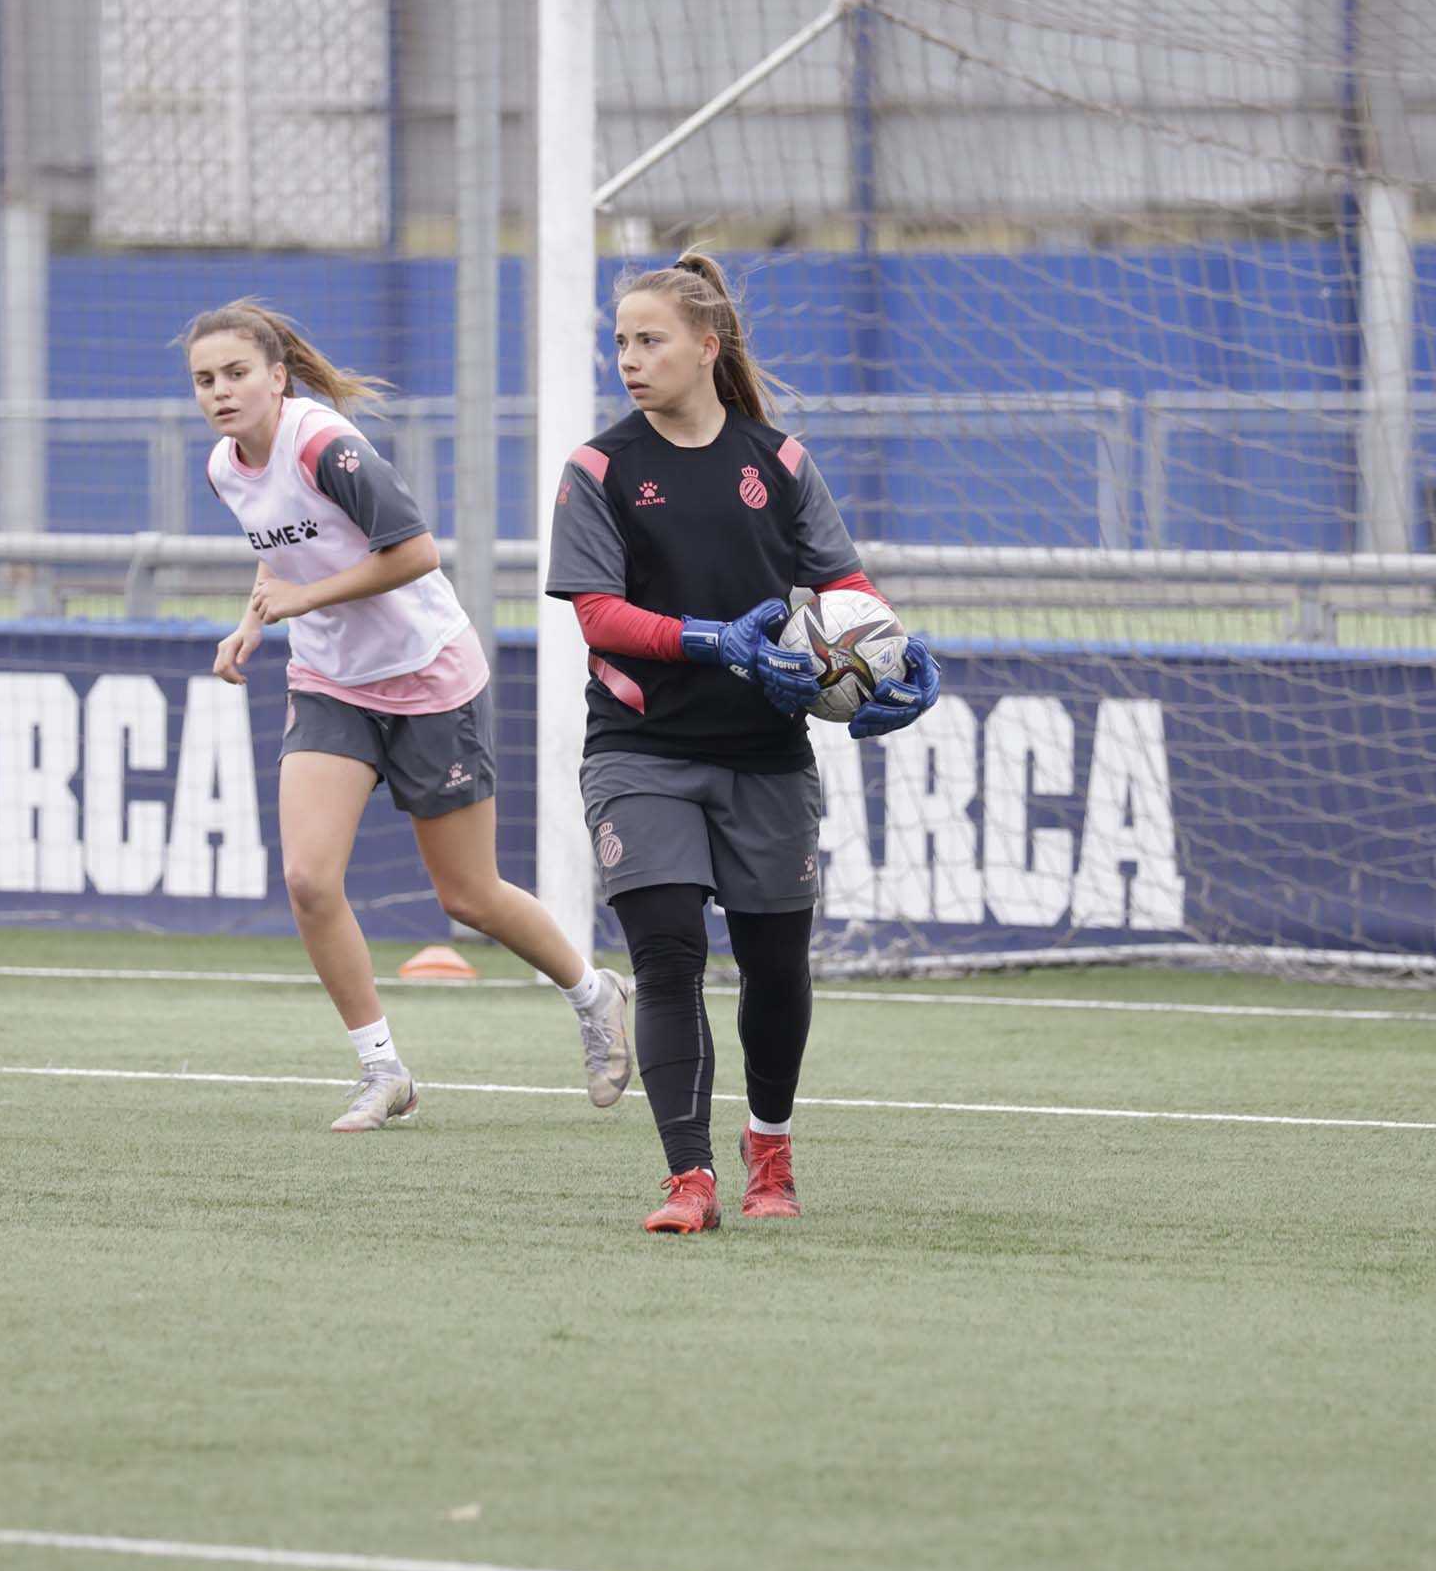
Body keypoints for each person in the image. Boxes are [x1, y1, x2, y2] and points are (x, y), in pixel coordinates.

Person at [545, 255, 941, 1232]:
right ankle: (690, 1180)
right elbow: (596, 614)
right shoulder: (599, 468)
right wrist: (704, 639)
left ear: (706, 348)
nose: (629, 359)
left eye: (650, 340)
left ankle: (770, 1150)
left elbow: (846, 588)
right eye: (622, 342)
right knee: (670, 954)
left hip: (767, 752)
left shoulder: (780, 462)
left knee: (776, 967)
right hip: (640, 749)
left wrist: (899, 661)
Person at [192, 301, 634, 1132]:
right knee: (307, 879)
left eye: (236, 373)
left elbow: (416, 553)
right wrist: (253, 622)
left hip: (429, 675)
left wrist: (299, 599)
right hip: (329, 680)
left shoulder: (325, 444)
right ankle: (381, 1068)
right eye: (204, 380)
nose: (219, 391)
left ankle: (593, 991)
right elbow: (283, 563)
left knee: (467, 894)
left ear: (278, 377)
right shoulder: (223, 468)